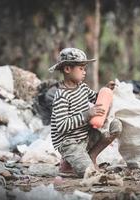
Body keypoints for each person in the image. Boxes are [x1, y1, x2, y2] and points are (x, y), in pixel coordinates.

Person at [49, 47, 122, 177]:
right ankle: (68, 162)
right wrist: (87, 114)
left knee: (116, 126)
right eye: (81, 68)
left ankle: (92, 156)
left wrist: (105, 91)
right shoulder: (62, 96)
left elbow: (95, 98)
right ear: (67, 69)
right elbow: (61, 125)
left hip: (86, 136)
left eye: (85, 68)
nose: (84, 72)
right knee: (89, 173)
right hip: (69, 143)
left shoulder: (82, 87)